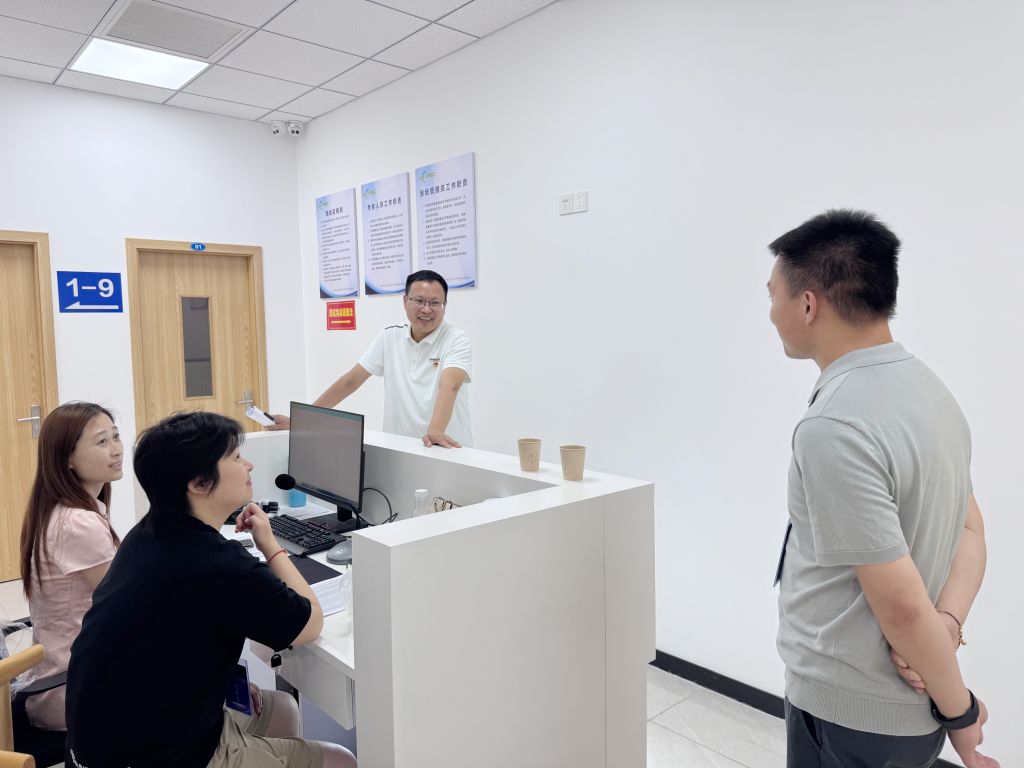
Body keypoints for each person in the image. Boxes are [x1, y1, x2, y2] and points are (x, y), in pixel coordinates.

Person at [767, 209, 1000, 768]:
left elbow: (902, 610)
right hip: (907, 717)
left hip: (849, 715)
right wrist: (948, 626)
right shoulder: (931, 391)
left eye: (772, 294)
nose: (770, 312)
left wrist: (962, 714)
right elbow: (972, 528)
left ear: (807, 305)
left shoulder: (834, 425)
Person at [64, 411, 356, 768]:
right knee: (341, 760)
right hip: (159, 755)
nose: (248, 465)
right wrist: (270, 545)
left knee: (281, 708)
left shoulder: (146, 534)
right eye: (236, 457)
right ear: (199, 483)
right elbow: (310, 623)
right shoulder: (216, 564)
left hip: (101, 743)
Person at [270, 270, 473, 448]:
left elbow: (450, 386)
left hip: (445, 448)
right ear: (405, 301)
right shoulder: (390, 337)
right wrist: (302, 420)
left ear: (445, 305)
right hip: (401, 450)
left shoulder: (456, 340)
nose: (426, 309)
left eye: (435, 303)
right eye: (419, 301)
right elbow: (350, 381)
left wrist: (435, 431)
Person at [18, 402, 122, 732]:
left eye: (116, 436)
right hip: (74, 691)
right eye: (102, 441)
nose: (116, 449)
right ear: (68, 459)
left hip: (67, 678)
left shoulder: (65, 512)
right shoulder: (78, 524)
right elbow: (129, 608)